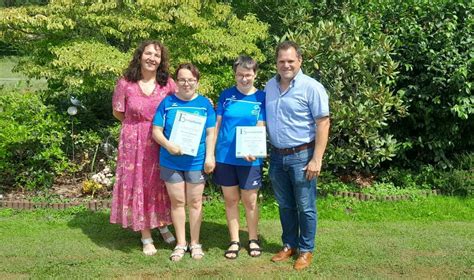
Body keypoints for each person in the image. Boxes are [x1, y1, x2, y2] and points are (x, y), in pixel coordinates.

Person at [265, 41, 330, 270]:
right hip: (277, 156)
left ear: (300, 61)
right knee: (285, 205)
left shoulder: (311, 87)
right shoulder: (269, 87)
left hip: (303, 156)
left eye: (290, 61)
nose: (286, 65)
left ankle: (306, 250)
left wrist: (317, 159)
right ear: (276, 63)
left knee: (306, 206)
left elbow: (323, 122)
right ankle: (289, 245)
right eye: (281, 61)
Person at [110, 40, 176, 256]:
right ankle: (146, 234)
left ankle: (162, 222)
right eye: (148, 53)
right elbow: (118, 112)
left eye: (156, 55)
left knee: (159, 182)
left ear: (161, 60)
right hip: (134, 142)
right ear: (140, 56)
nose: (152, 58)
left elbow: (180, 106)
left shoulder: (168, 84)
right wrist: (135, 128)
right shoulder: (125, 83)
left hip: (161, 140)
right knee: (139, 183)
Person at [152, 63, 216, 261]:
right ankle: (181, 243)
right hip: (171, 161)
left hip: (196, 162)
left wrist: (210, 156)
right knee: (178, 202)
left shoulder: (205, 104)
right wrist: (168, 145)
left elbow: (211, 132)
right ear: (176, 81)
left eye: (190, 80)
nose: (186, 83)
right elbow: (156, 130)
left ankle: (195, 243)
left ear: (197, 82)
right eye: (182, 79)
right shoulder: (167, 102)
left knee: (195, 203)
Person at [213, 55, 265, 259]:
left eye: (248, 74)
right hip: (225, 157)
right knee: (231, 200)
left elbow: (261, 126)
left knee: (250, 201)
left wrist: (257, 149)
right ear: (235, 75)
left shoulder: (261, 97)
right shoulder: (226, 95)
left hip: (250, 159)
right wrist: (211, 153)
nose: (244, 79)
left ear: (255, 74)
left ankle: (253, 239)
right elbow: (217, 125)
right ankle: (234, 240)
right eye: (240, 75)